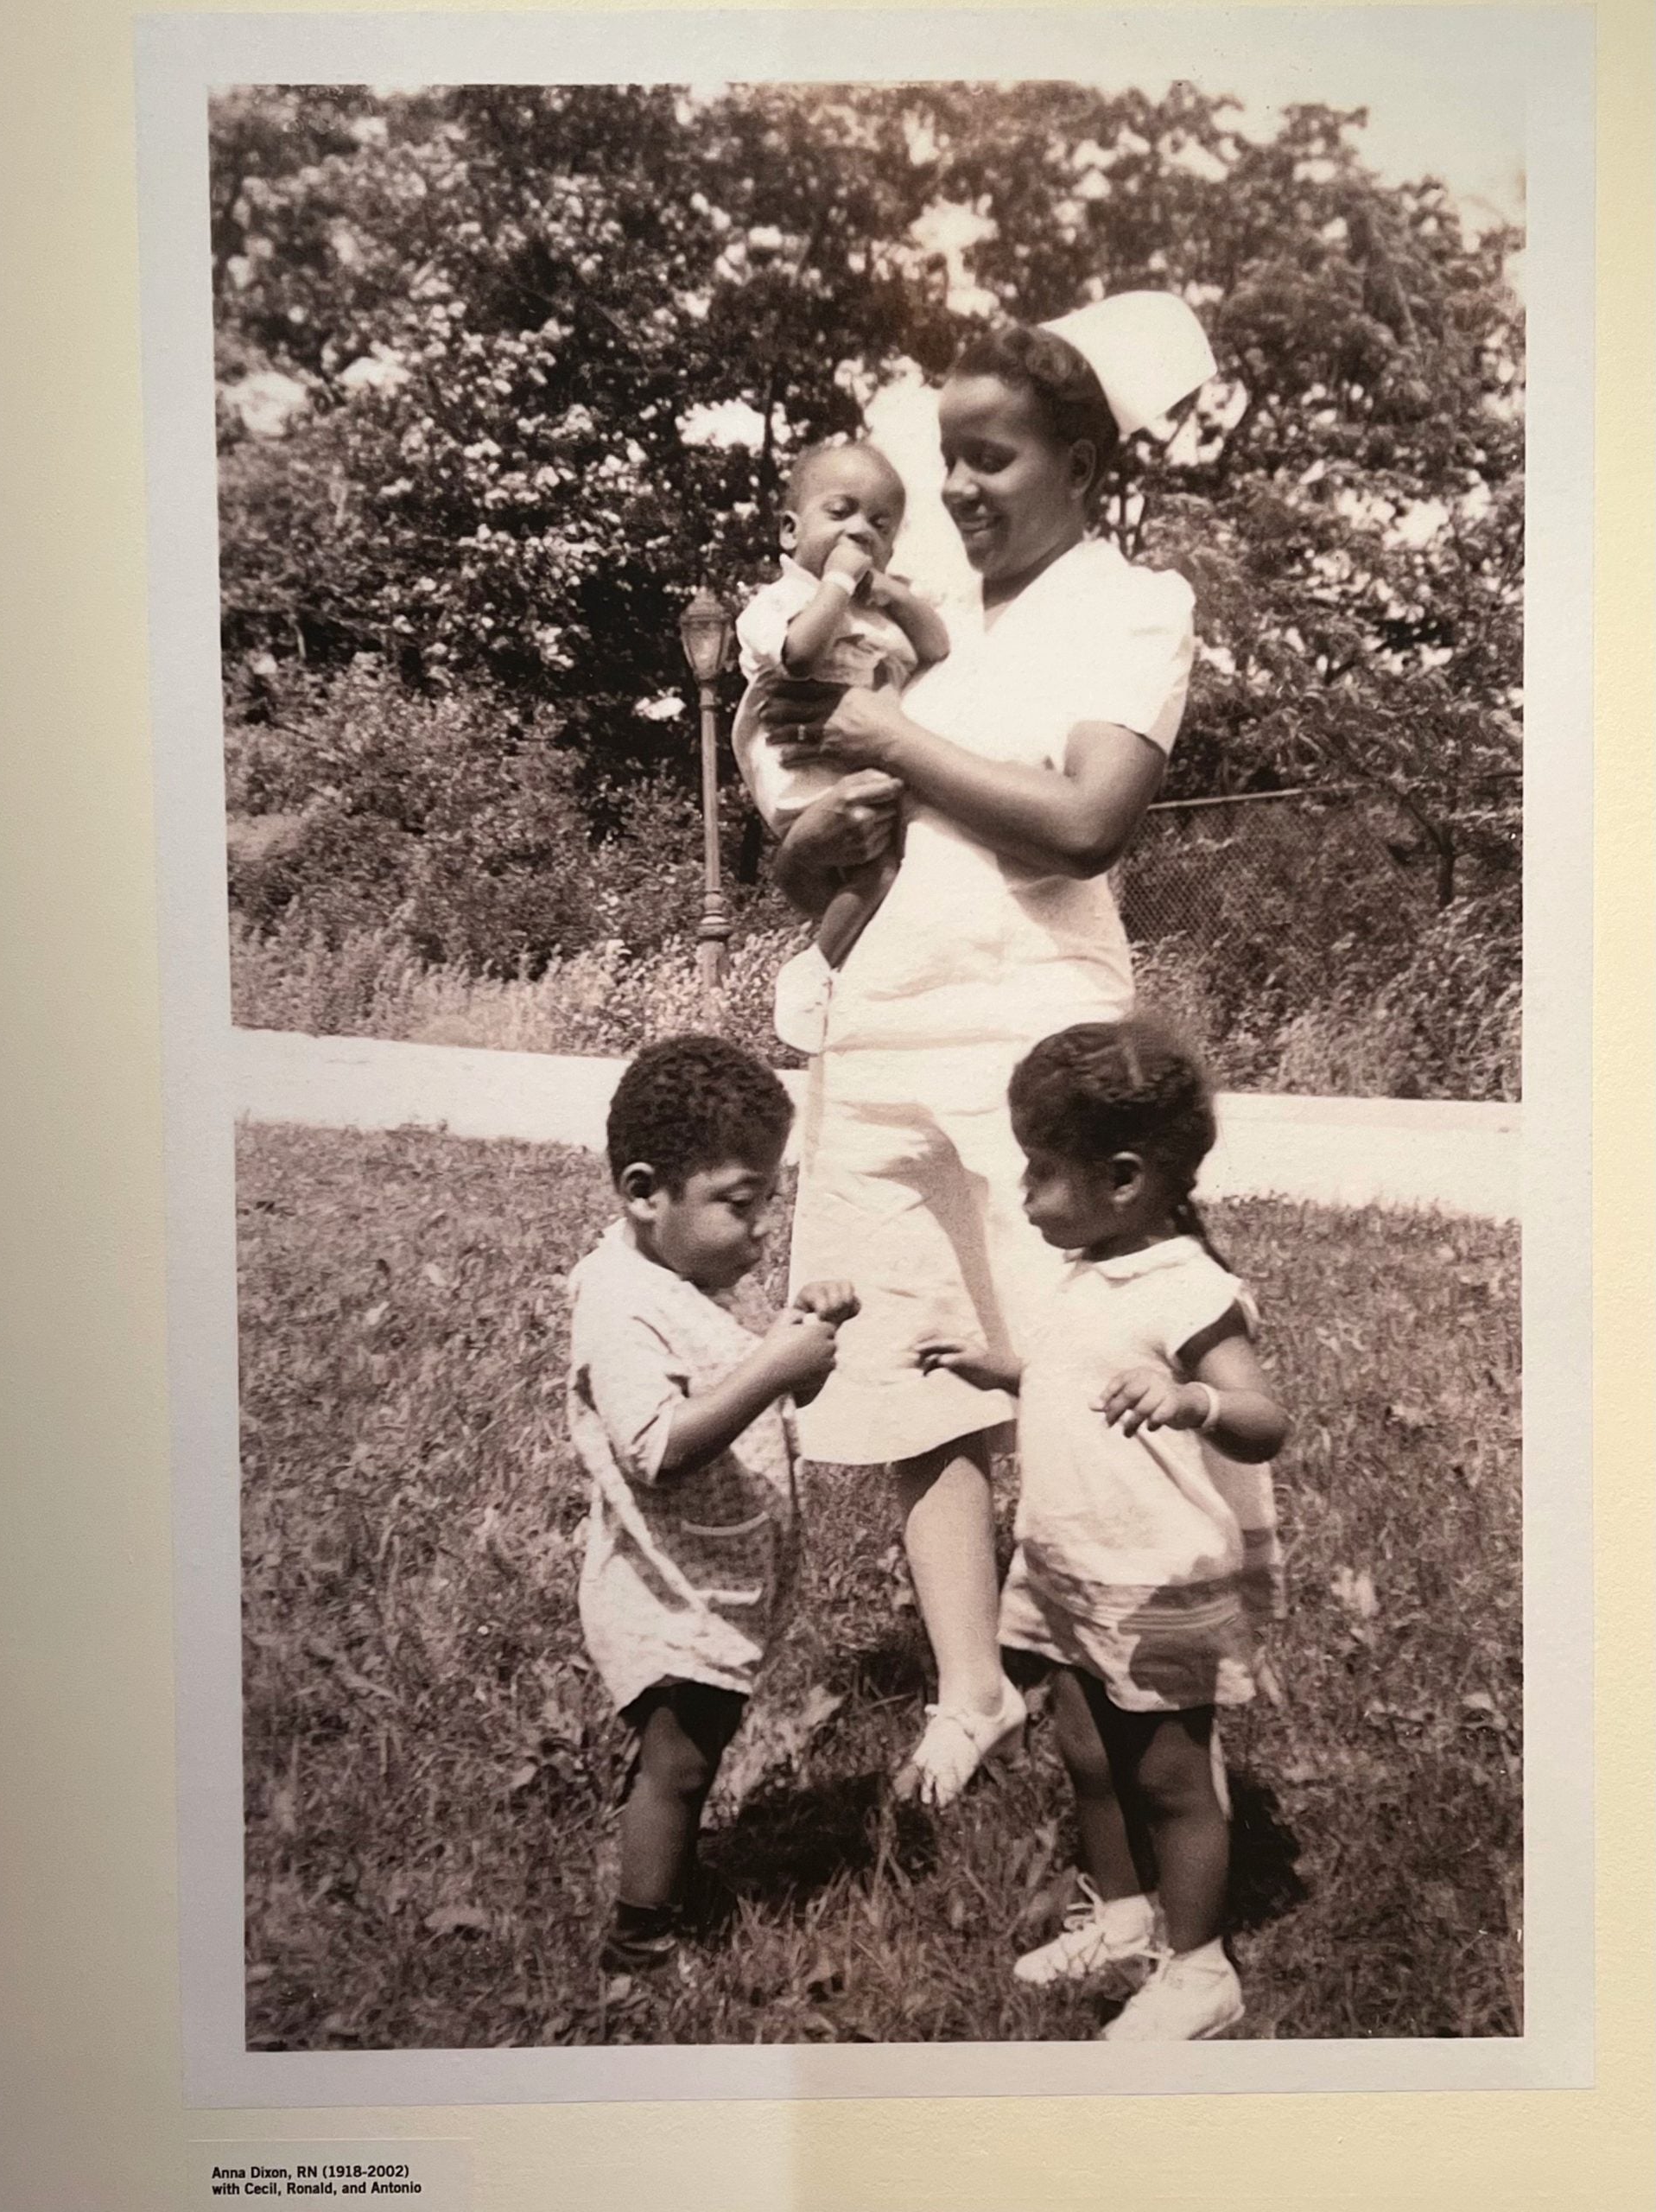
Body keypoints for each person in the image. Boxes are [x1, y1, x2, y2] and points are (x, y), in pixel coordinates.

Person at [761, 293, 1219, 1808]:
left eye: (989, 456)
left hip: (1036, 1037)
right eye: (945, 458)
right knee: (902, 1359)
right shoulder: (931, 641)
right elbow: (834, 861)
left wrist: (895, 748)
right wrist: (813, 840)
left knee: (1086, 1372)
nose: (956, 488)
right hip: (883, 1020)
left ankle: (1144, 1705)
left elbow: (1088, 819)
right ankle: (972, 1689)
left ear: (1080, 455)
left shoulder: (1130, 601)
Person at [918, 1019, 1289, 2040]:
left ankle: (1201, 1966)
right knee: (1087, 1749)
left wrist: (1192, 1402)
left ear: (1123, 1178)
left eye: (1041, 1171)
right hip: (1069, 1564)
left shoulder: (1192, 1291)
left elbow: (1265, 1420)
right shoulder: (1088, 1272)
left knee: (1170, 1775)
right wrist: (993, 1365)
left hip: (1159, 1576)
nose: (1027, 1193)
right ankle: (1126, 1915)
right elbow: (1065, 1372)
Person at [567, 1034, 859, 1971]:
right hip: (665, 1596)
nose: (763, 1227)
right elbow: (658, 1447)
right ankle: (640, 1942)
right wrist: (775, 1364)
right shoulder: (620, 1305)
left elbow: (754, 1386)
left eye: (770, 1199)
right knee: (682, 1760)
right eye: (741, 1202)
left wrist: (798, 1340)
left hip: (711, 1581)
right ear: (646, 1193)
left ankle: (667, 1864)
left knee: (692, 1751)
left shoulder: (682, 1282)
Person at [732, 440, 949, 1053]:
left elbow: (935, 648)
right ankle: (815, 968)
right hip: (805, 776)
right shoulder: (774, 604)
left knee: (893, 871)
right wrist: (835, 582)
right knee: (878, 867)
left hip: (862, 764)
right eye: (841, 512)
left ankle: (836, 971)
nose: (860, 530)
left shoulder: (878, 616)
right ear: (788, 530)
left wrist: (896, 596)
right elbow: (799, 657)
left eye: (880, 524)